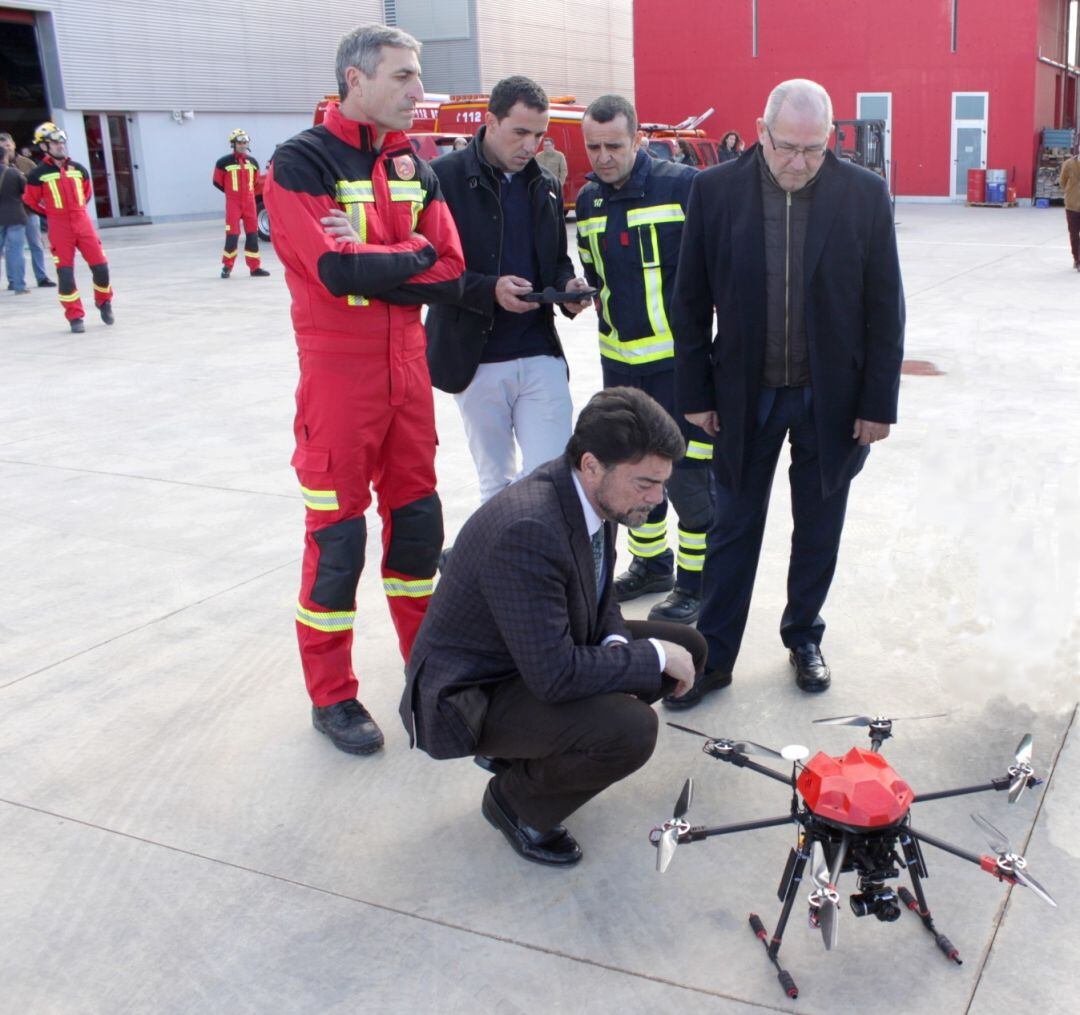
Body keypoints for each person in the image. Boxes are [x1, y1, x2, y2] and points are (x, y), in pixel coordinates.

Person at [263, 24, 465, 754]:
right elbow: (335, 271)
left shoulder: (415, 163)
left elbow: (451, 270)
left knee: (417, 532)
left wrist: (384, 256)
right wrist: (408, 252)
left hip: (407, 376)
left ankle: (428, 666)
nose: (419, 91)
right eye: (405, 76)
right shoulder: (301, 163)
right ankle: (333, 696)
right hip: (338, 383)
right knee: (339, 542)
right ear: (355, 79)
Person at [400, 387, 707, 866]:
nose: (658, 498)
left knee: (686, 646)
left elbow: (600, 591)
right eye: (646, 483)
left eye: (662, 484)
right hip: (474, 693)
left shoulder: (597, 497)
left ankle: (532, 752)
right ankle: (516, 802)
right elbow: (556, 675)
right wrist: (643, 658)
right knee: (630, 729)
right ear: (591, 464)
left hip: (531, 653)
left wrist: (616, 643)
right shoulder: (528, 528)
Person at [672, 79, 904, 704]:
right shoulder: (714, 191)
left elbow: (887, 308)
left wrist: (878, 404)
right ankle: (713, 656)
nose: (799, 162)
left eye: (814, 149)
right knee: (732, 528)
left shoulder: (863, 195)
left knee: (819, 525)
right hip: (744, 395)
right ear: (760, 129)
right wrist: (696, 392)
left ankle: (803, 635)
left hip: (832, 397)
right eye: (787, 148)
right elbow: (688, 303)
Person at [576, 95, 715, 631]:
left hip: (681, 369)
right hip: (621, 369)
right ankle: (653, 565)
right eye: (594, 147)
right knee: (633, 473)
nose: (604, 157)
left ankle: (696, 582)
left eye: (614, 145)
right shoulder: (588, 202)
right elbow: (594, 278)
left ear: (638, 139)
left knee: (688, 477)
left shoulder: (683, 187)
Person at [425, 75, 593, 504]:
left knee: (553, 481)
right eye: (520, 132)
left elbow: (556, 260)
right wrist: (489, 289)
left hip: (540, 353)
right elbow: (427, 271)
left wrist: (567, 289)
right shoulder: (440, 180)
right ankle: (501, 569)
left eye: (539, 135)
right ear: (490, 122)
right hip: (476, 358)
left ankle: (542, 570)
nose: (530, 145)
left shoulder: (546, 187)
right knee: (496, 485)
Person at [23, 122, 115, 333]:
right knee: (65, 274)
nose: (60, 146)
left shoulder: (79, 169)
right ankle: (75, 315)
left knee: (101, 267)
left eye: (61, 141)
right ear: (44, 147)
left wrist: (77, 211)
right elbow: (29, 201)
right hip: (59, 226)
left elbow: (87, 193)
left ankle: (104, 301)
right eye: (54, 142)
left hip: (82, 222)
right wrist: (50, 216)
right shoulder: (38, 174)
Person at [213, 128, 269, 278]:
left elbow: (256, 182)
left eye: (245, 142)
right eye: (240, 142)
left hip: (250, 202)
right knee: (232, 235)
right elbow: (217, 182)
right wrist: (232, 194)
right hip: (233, 202)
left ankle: (254, 267)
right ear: (233, 143)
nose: (243, 144)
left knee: (252, 234)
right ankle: (227, 266)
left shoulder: (253, 162)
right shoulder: (223, 162)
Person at [0, 133, 54, 288]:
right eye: (3, 147)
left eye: (8, 145)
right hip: (11, 215)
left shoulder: (27, 163)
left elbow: (40, 184)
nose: (6, 149)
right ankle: (13, 280)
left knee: (36, 244)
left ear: (14, 145)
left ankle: (41, 277)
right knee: (12, 248)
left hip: (29, 212)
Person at [0, 139, 31, 294]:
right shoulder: (14, 173)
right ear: (4, 158)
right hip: (15, 216)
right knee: (16, 251)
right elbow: (26, 192)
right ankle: (19, 285)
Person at [1059, 149, 1080, 271]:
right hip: (1072, 205)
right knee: (1074, 234)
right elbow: (1062, 181)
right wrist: (1071, 192)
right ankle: (1077, 259)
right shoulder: (1069, 164)